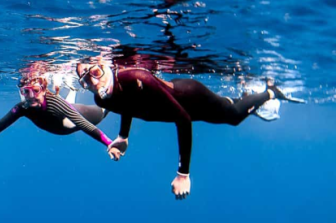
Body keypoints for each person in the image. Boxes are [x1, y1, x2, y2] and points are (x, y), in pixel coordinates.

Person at [75, 60, 303, 199]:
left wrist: (183, 174)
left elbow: (182, 118)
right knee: (228, 111)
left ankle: (271, 92)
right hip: (184, 107)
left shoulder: (137, 76)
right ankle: (245, 98)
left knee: (233, 118)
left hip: (193, 98)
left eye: (95, 72)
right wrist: (123, 136)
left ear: (105, 66)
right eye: (84, 80)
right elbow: (127, 104)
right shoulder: (103, 100)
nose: (93, 83)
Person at [0, 74, 113, 149]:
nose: (30, 97)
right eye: (25, 92)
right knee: (67, 108)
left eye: (35, 91)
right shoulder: (23, 108)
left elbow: (84, 124)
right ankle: (71, 89)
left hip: (75, 117)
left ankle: (113, 94)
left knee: (104, 108)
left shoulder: (56, 104)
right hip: (61, 120)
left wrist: (109, 143)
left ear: (44, 90)